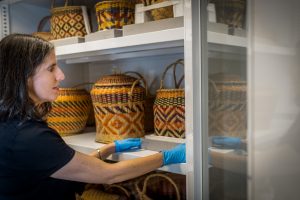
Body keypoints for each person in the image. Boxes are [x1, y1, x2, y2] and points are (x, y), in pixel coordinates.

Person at [0, 33, 186, 200]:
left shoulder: (12, 126)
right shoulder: (28, 137)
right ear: (24, 76)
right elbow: (109, 174)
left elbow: (68, 167)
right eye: (51, 68)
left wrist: (108, 149)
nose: (61, 75)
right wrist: (168, 156)